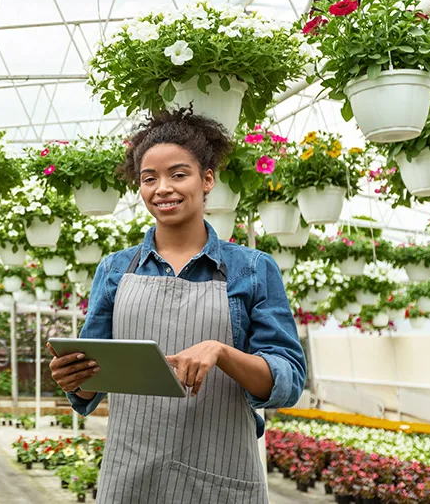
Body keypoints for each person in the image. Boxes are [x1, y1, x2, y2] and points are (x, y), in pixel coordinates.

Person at [48, 108, 306, 504]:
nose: (162, 188)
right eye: (149, 179)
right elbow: (92, 380)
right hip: (131, 476)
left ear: (207, 180)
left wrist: (220, 352)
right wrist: (74, 378)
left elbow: (287, 380)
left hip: (220, 475)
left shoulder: (251, 269)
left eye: (178, 174)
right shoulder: (115, 269)